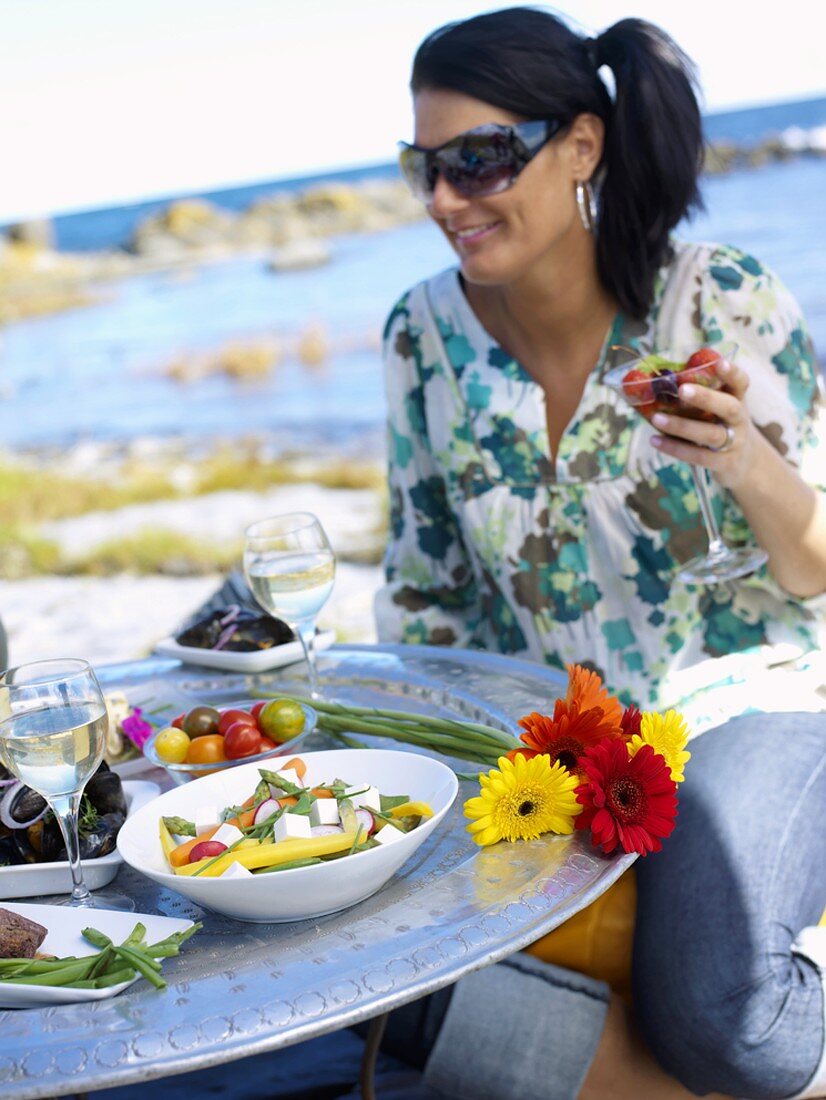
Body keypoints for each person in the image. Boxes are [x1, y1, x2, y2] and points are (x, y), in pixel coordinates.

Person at [372, 8, 826, 1100]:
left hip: (751, 698)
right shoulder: (420, 336)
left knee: (728, 1019)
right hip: (546, 736)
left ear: (579, 145)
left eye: (477, 160)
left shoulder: (714, 297)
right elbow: (426, 592)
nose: (444, 201)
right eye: (421, 168)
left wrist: (744, 464)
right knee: (391, 978)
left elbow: (814, 565)